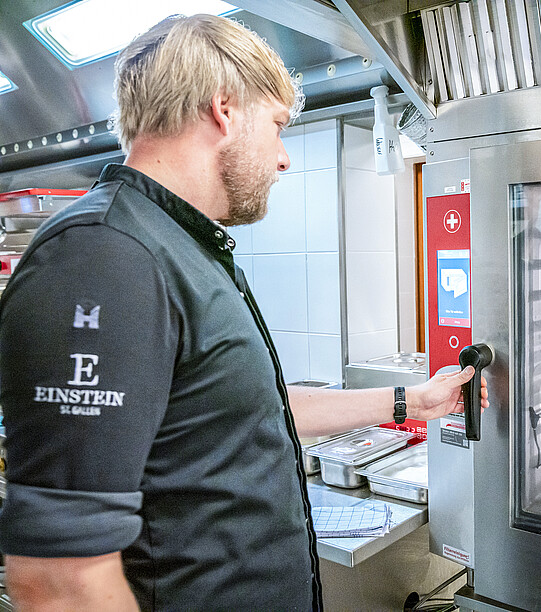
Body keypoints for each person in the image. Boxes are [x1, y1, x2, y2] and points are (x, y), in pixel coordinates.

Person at [0, 14, 487, 611]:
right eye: (278, 126)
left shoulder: (184, 247)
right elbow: (60, 581)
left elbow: (251, 409)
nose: (283, 158)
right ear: (224, 109)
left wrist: (413, 401)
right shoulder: (103, 256)